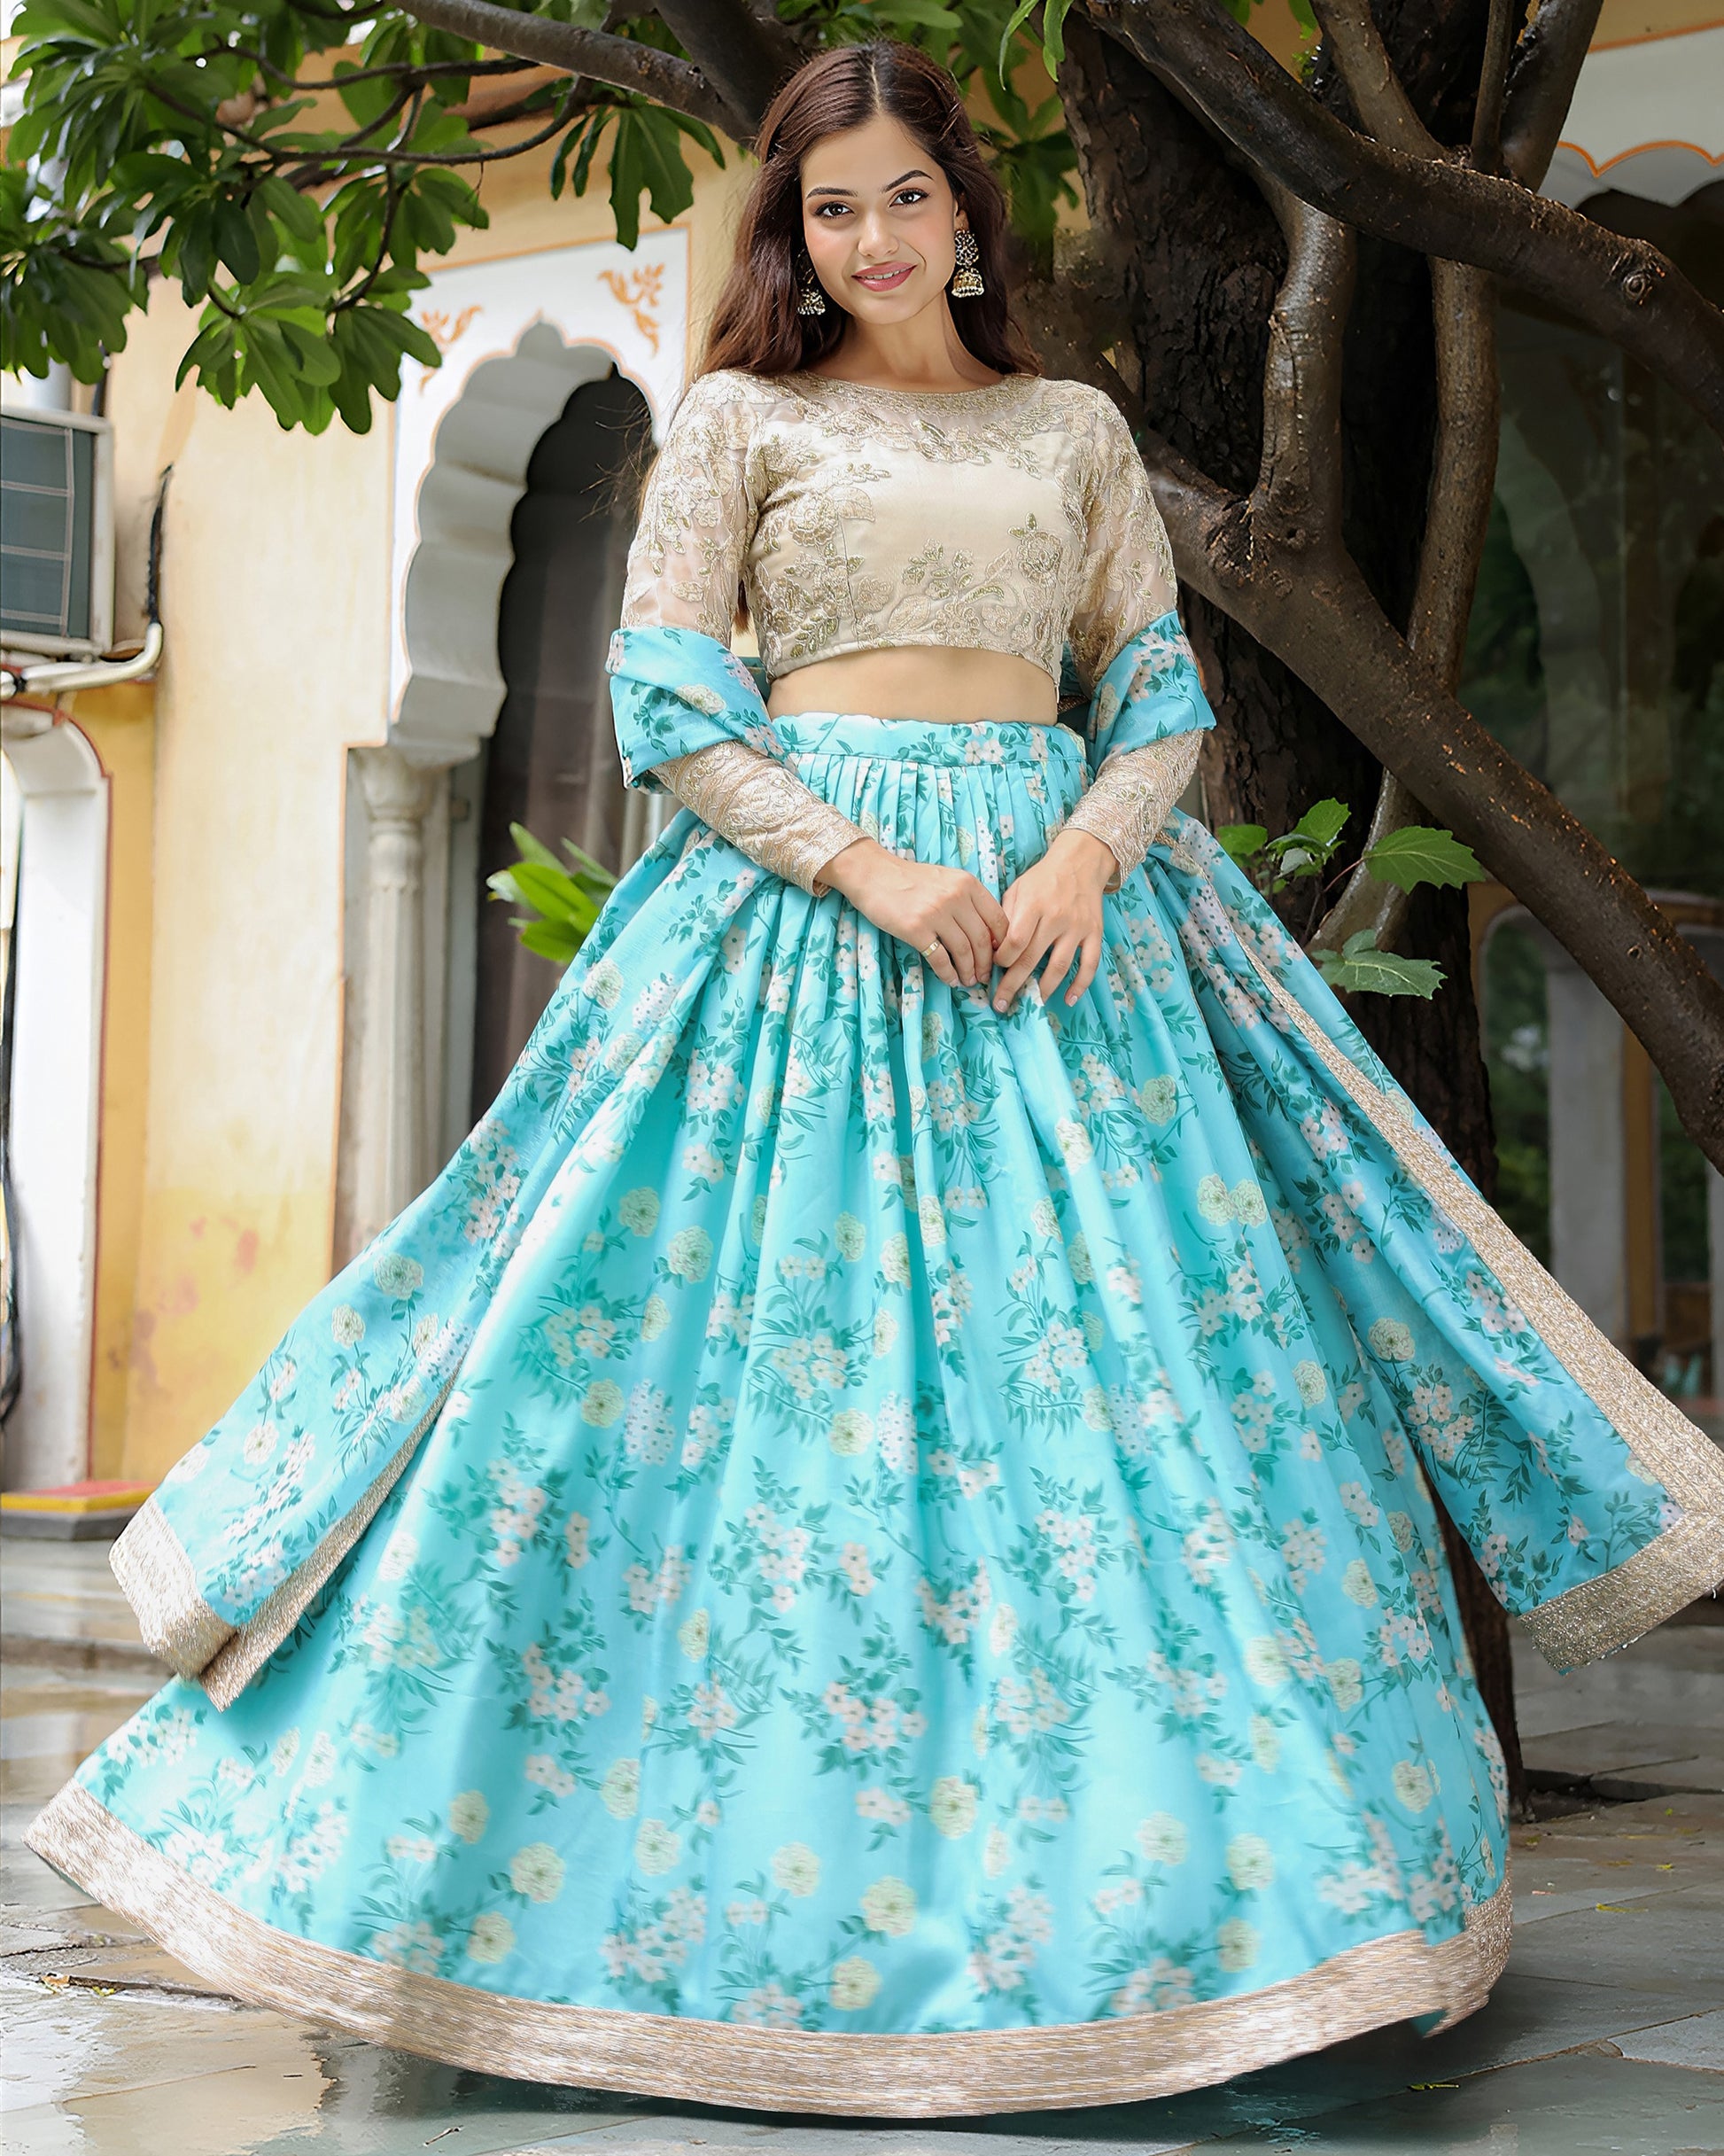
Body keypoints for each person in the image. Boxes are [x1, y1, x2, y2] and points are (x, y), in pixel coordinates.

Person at [29, 39, 1724, 2118]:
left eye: (903, 196)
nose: (870, 238)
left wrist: (1089, 856)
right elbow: (667, 686)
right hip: (802, 935)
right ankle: (623, 1921)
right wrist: (875, 863)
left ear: (966, 209)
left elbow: (1159, 693)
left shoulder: (1075, 430)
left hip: (1066, 956)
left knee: (1133, 1424)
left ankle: (1198, 1936)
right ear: (792, 233)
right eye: (829, 208)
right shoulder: (739, 420)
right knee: (680, 1405)